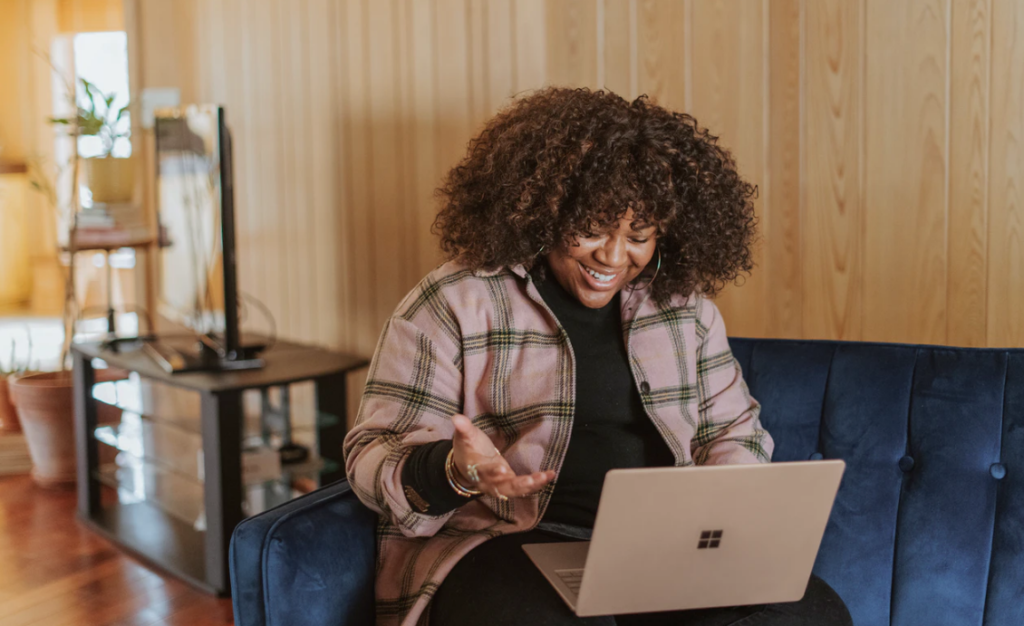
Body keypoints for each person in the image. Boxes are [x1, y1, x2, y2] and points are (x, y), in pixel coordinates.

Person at [344, 88, 852, 626]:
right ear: (544, 210)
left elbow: (733, 433)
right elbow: (371, 453)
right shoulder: (455, 301)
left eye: (638, 235)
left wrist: (723, 516)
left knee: (813, 615)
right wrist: (454, 470)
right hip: (503, 544)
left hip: (660, 552)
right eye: (590, 229)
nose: (612, 257)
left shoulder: (686, 310)